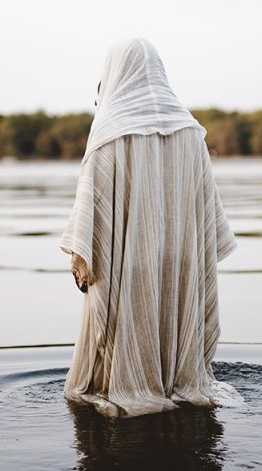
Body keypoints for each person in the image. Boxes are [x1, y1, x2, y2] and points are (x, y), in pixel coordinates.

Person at [59, 38, 242, 418]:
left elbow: (90, 226)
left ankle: (131, 397)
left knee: (111, 377)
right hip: (182, 266)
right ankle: (179, 387)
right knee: (181, 378)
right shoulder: (192, 133)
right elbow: (210, 223)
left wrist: (82, 267)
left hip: (129, 266)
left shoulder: (109, 133)